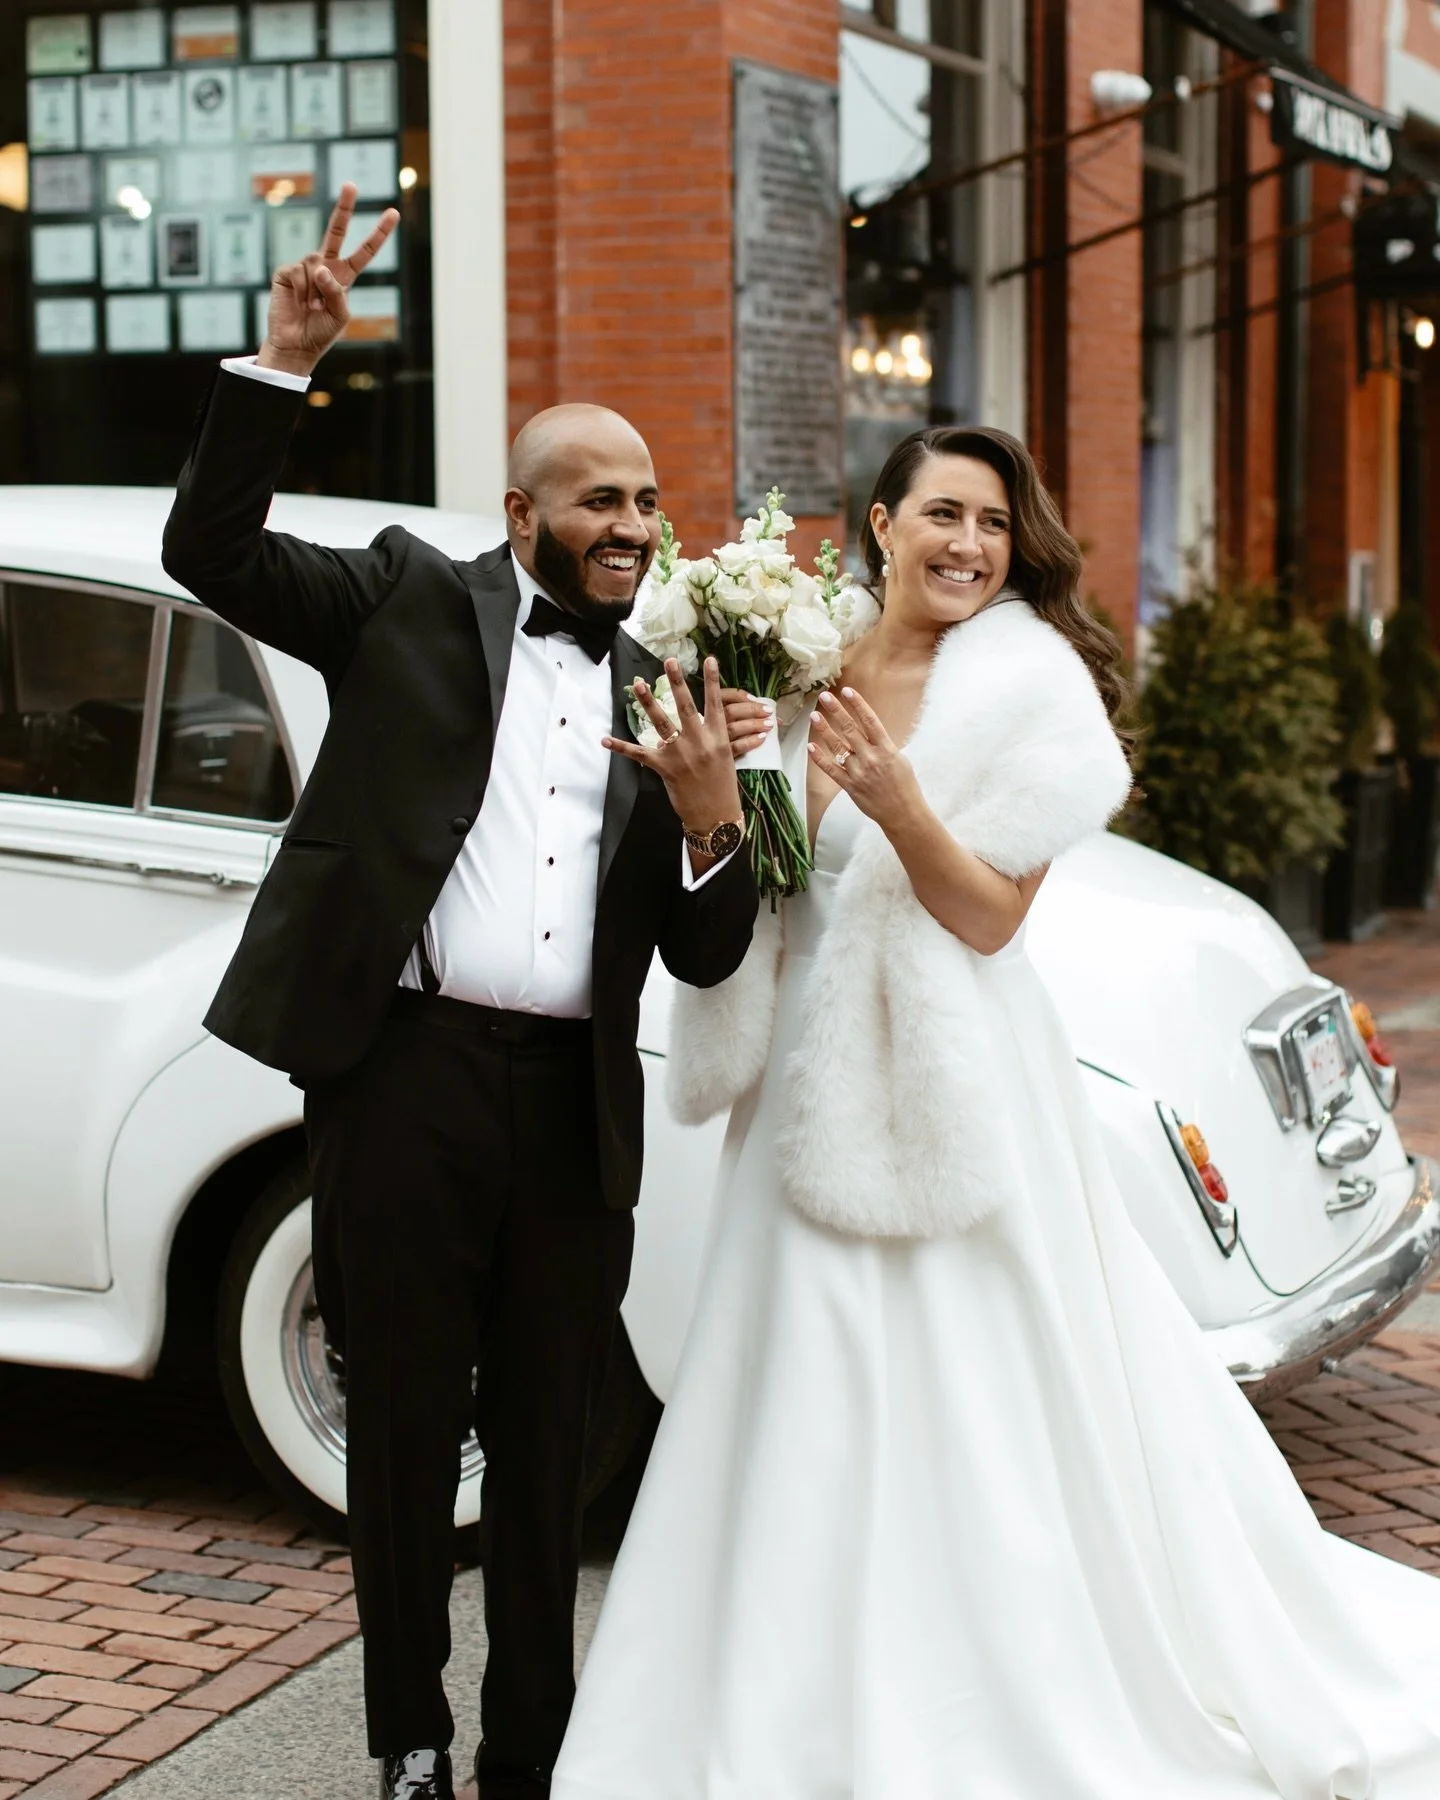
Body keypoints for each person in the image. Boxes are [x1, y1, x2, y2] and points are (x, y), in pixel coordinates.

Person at [552, 424, 1440, 1800]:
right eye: (944, 515)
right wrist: (716, 803)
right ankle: (779, 1692)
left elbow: (985, 921)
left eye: (993, 525)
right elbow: (773, 881)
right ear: (883, 522)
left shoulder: (1031, 698)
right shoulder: (801, 654)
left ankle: (986, 1691)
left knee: (988, 1392)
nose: (970, 545)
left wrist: (903, 807)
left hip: (952, 1087)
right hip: (798, 1076)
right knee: (792, 1382)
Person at [160, 187, 759, 1800]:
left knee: (556, 1448)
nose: (631, 522)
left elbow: (707, 957)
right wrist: (282, 366)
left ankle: (531, 1754)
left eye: (648, 499)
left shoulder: (674, 696)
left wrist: (715, 825)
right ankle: (409, 1735)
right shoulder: (408, 596)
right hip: (403, 1077)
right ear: (521, 510)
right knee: (409, 1433)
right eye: (596, 499)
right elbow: (205, 550)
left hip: (575, 1109)